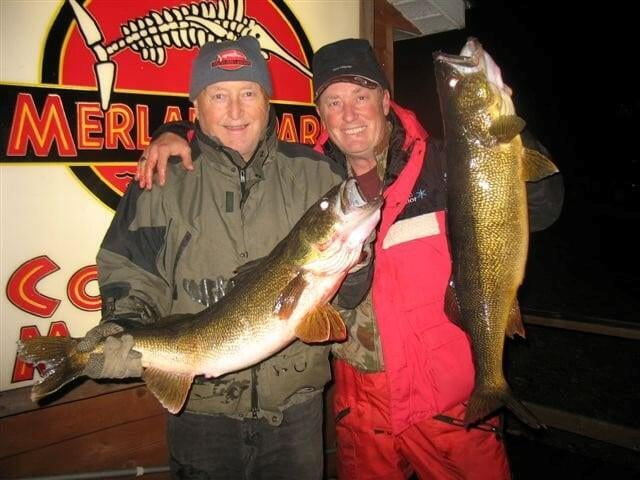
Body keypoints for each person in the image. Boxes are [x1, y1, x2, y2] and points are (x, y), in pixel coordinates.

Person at [139, 39, 564, 480]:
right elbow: (236, 146)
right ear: (320, 115)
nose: (349, 114)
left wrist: (503, 132)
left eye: (361, 96)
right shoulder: (314, 180)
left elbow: (543, 206)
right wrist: (176, 132)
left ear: (384, 99)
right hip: (361, 406)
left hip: (447, 400)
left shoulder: (444, 164)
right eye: (333, 102)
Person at [83, 36, 368, 479]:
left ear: (267, 101)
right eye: (219, 95)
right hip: (201, 415)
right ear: (195, 106)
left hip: (294, 411)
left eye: (248, 93)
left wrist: (353, 265)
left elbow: (346, 298)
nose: (235, 111)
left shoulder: (317, 174)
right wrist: (123, 332)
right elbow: (129, 274)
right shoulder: (161, 180)